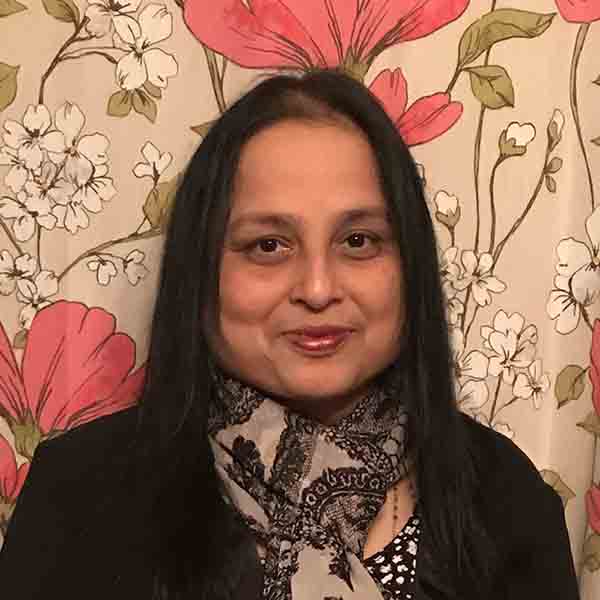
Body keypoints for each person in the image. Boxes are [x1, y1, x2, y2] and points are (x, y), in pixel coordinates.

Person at [0, 70, 579, 600]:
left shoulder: (507, 503)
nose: (318, 288)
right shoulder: (80, 496)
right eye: (268, 245)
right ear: (201, 271)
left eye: (358, 241)